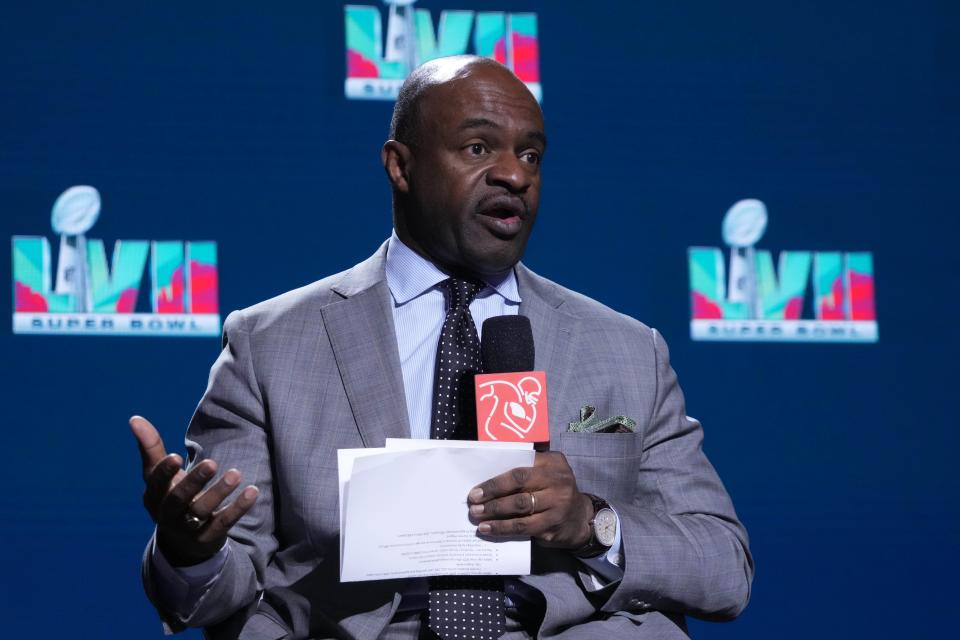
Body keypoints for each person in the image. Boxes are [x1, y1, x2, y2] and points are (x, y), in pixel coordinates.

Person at [132, 55, 753, 640]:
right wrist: (192, 550)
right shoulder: (270, 343)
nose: (515, 174)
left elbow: (724, 568)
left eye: (531, 155)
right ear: (400, 165)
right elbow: (215, 591)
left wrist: (592, 523)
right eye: (478, 147)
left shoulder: (626, 349)